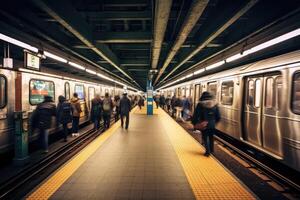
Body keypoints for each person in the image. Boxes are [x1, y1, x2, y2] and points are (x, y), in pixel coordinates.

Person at [191, 92, 221, 157]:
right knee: (211, 137)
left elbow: (196, 115)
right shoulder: (215, 104)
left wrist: (194, 123)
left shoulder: (200, 104)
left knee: (205, 137)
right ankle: (212, 150)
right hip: (212, 124)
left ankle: (207, 152)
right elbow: (218, 116)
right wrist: (215, 122)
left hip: (204, 123)